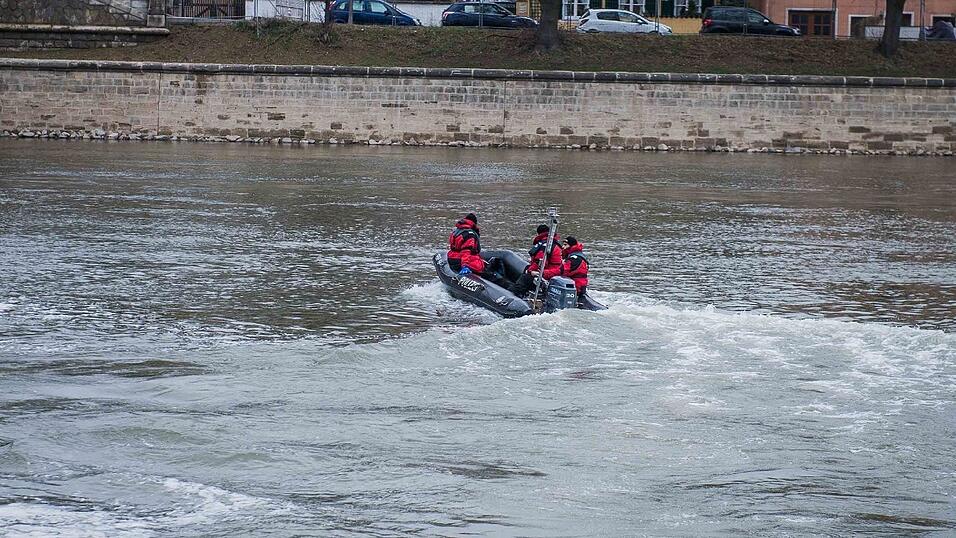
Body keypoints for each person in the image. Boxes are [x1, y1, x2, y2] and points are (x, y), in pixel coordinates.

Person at [447, 213, 509, 285]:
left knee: (487, 265)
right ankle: (507, 286)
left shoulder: (457, 231)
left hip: (453, 260)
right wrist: (465, 266)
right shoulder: (470, 234)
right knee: (493, 276)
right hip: (466, 262)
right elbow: (466, 251)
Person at [508, 224, 563, 298]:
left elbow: (540, 262)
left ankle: (516, 295)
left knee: (525, 279)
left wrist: (530, 271)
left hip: (546, 274)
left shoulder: (544, 246)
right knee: (527, 270)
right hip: (554, 273)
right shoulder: (556, 245)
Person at [560, 236, 589, 301]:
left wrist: (545, 273)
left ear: (571, 246)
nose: (562, 247)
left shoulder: (573, 259)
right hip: (581, 286)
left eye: (565, 245)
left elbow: (562, 271)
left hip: (576, 287)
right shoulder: (579, 256)